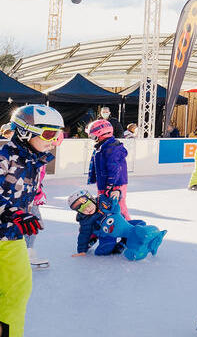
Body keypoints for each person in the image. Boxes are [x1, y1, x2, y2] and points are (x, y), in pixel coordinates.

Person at [0, 104, 64, 337]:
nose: (54, 140)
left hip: (11, 235)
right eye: (48, 134)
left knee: (18, 288)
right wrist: (12, 212)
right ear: (25, 131)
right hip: (5, 228)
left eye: (57, 135)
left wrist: (25, 212)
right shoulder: (4, 156)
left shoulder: (33, 160)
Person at [86, 119, 131, 219]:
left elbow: (114, 168)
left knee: (118, 206)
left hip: (115, 184)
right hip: (104, 183)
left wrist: (110, 185)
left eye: (93, 136)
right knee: (103, 206)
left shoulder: (112, 148)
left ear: (101, 134)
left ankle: (128, 227)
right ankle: (106, 227)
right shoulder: (103, 147)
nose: (93, 139)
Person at [68, 190, 123, 257]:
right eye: (83, 210)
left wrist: (116, 193)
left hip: (119, 223)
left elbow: (112, 197)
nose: (88, 209)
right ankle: (93, 238)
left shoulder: (103, 200)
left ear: (92, 199)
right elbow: (83, 234)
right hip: (104, 232)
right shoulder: (85, 219)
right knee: (104, 249)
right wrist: (81, 250)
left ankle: (126, 240)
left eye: (88, 205)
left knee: (132, 228)